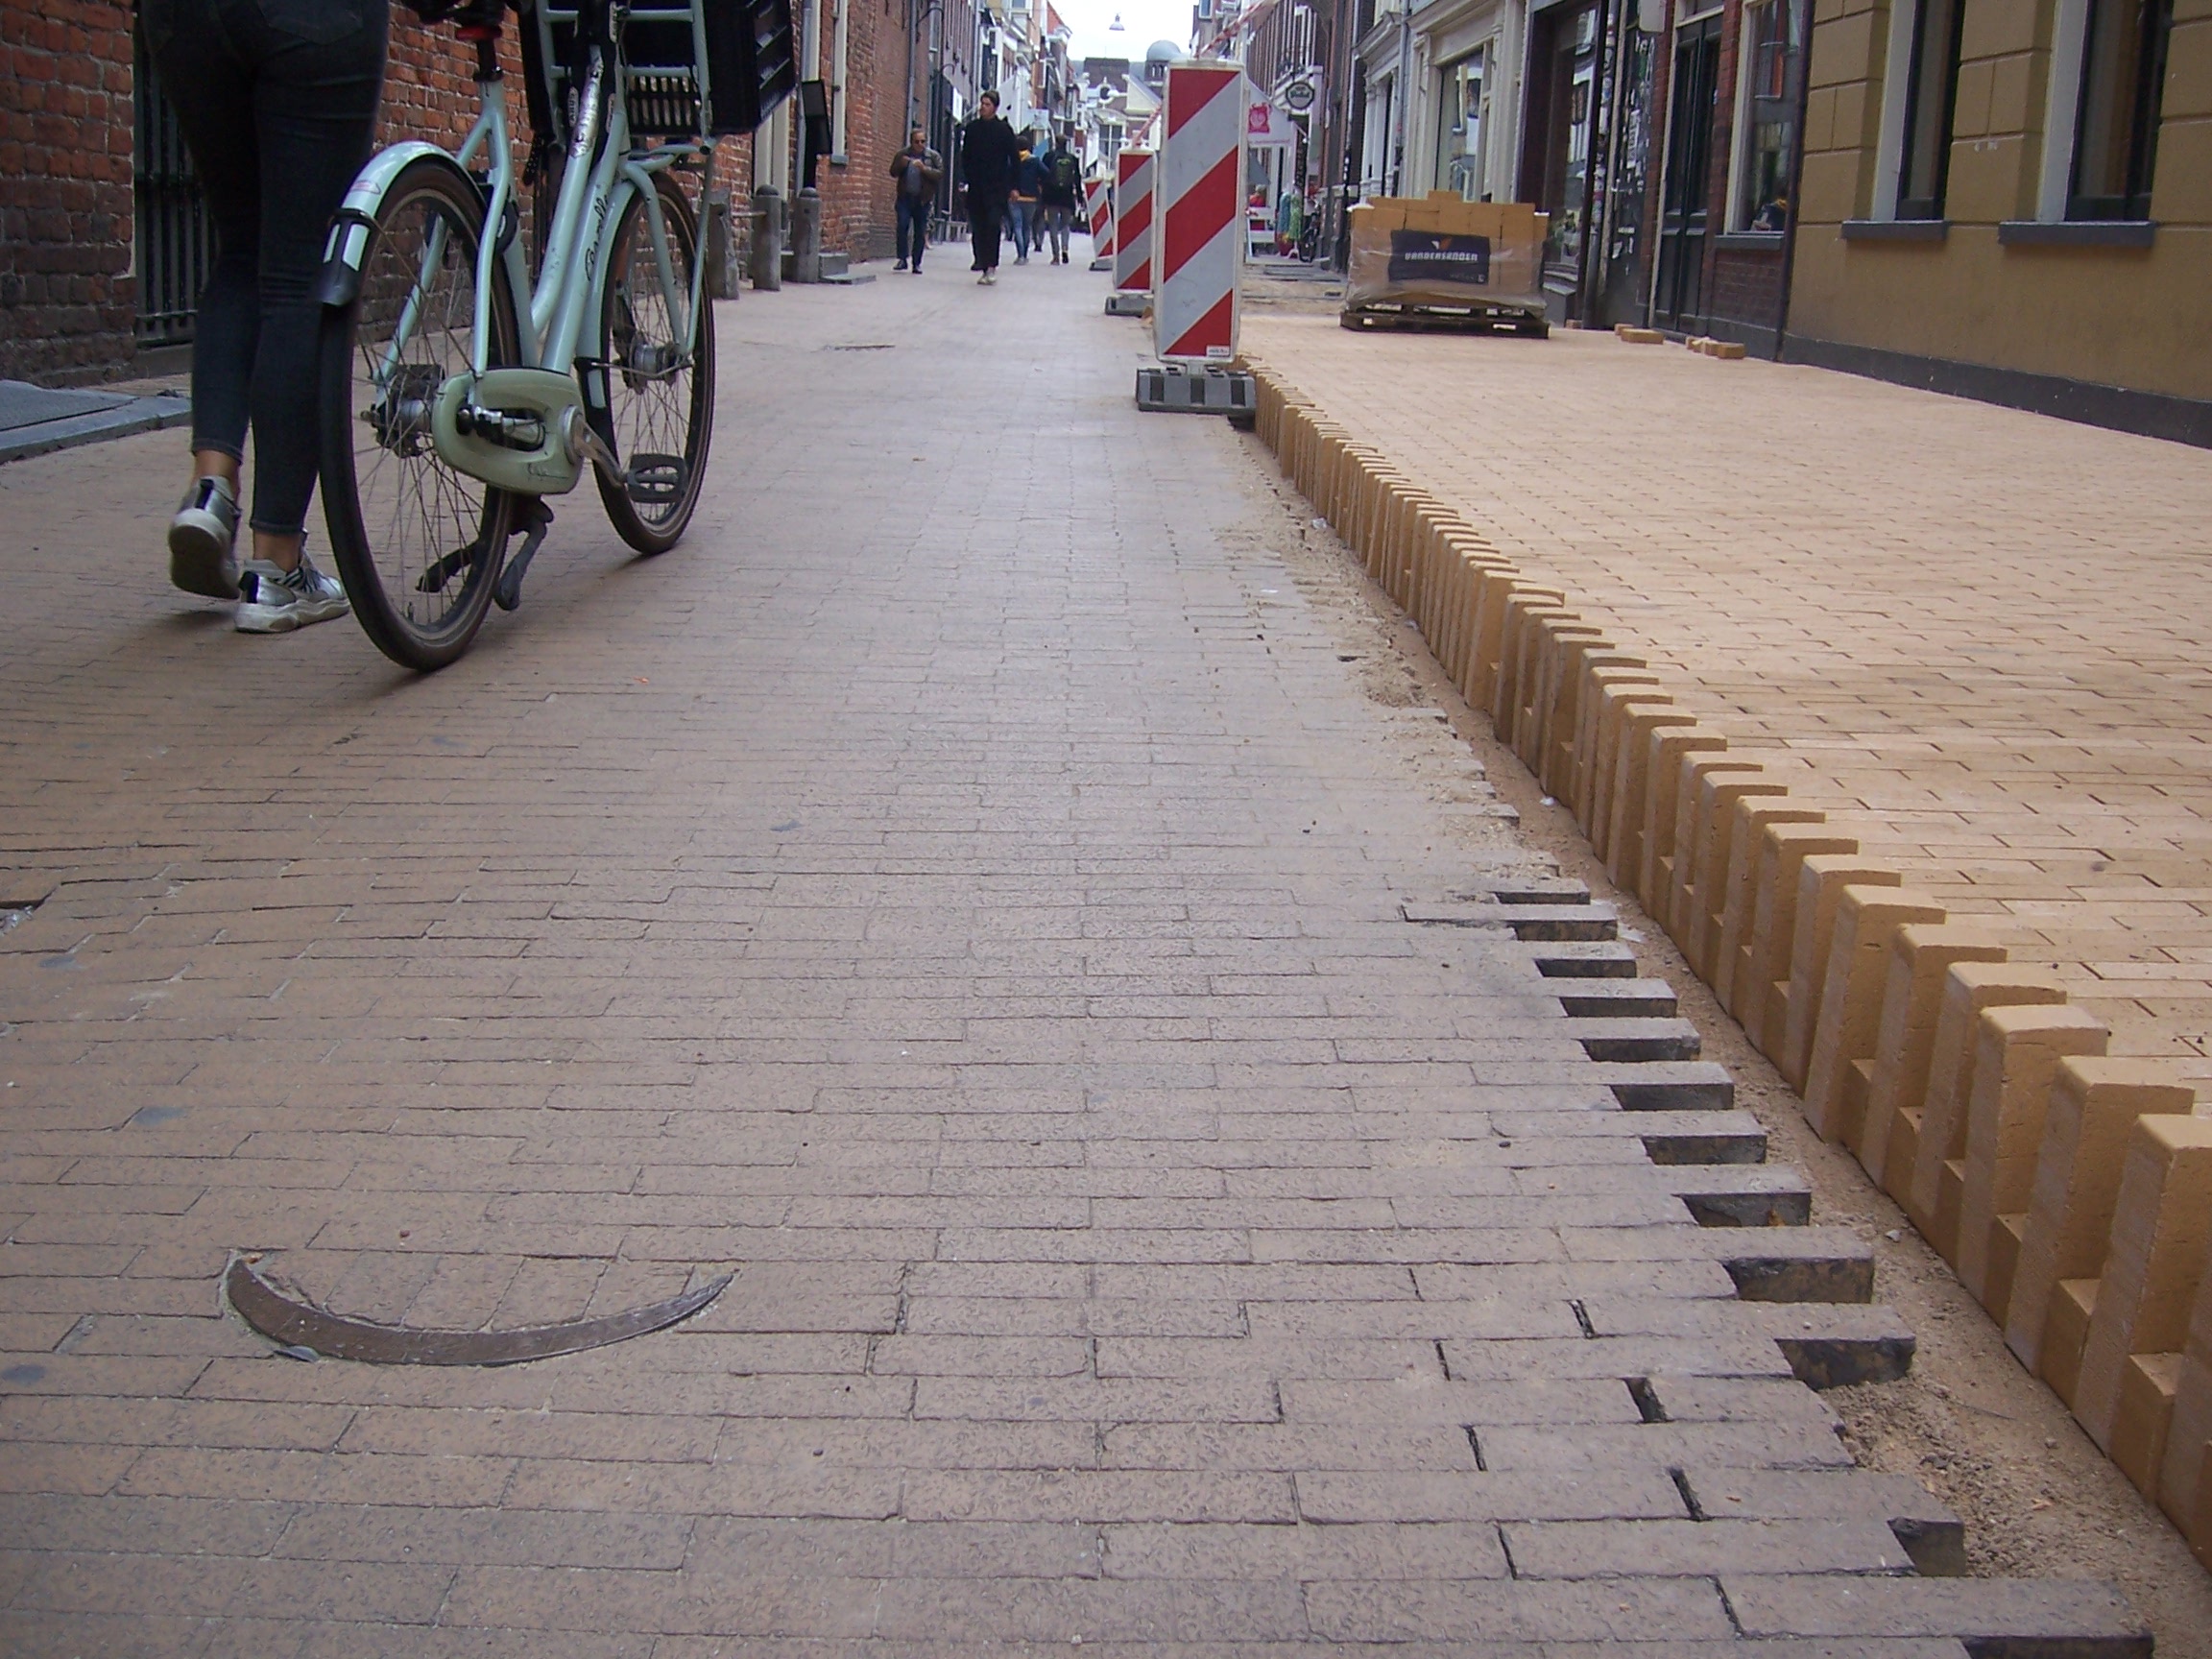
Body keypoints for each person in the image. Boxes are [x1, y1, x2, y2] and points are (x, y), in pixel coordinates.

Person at [146, 0, 395, 633]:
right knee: (298, 276)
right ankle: (276, 568)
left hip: (186, 19)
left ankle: (210, 488)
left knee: (240, 252)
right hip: (312, 19)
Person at [958, 91, 1019, 284]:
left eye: (987, 104)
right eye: (982, 103)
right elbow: (965, 157)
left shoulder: (1004, 130)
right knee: (978, 227)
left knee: (993, 225)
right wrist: (965, 179)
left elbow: (1014, 159)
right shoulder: (972, 129)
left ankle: (991, 266)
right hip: (976, 186)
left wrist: (1014, 186)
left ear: (995, 107)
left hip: (997, 187)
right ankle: (982, 262)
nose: (982, 107)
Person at [888, 126, 942, 273]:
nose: (920, 145)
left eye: (923, 141)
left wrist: (924, 169)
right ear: (911, 142)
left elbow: (940, 174)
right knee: (902, 226)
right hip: (905, 198)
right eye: (917, 142)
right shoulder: (902, 154)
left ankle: (916, 263)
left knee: (920, 231)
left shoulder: (933, 156)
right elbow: (893, 172)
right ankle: (902, 259)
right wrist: (901, 164)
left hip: (922, 199)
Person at [1037, 134, 1081, 264]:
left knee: (1053, 226)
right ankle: (1065, 249)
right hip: (1067, 197)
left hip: (1051, 196)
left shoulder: (1048, 157)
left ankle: (1056, 256)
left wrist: (1042, 195)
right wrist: (1079, 196)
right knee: (1065, 225)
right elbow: (1077, 179)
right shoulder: (1073, 159)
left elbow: (1043, 176)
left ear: (1055, 143)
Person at [1008, 144, 1046, 264]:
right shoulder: (1035, 161)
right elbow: (1046, 173)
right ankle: (1025, 253)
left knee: (1017, 226)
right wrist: (1038, 184)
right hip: (1031, 199)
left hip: (1015, 197)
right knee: (1026, 226)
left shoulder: (1011, 160)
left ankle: (1020, 255)